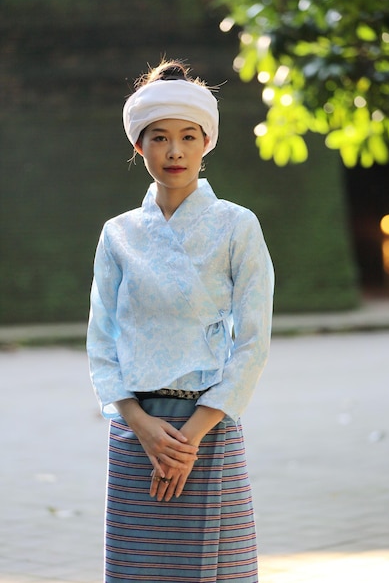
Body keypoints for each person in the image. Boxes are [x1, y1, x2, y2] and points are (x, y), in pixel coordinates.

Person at [87, 59, 274, 583]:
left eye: (188, 136)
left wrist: (189, 438)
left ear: (206, 142)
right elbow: (101, 342)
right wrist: (141, 425)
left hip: (208, 428)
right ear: (137, 146)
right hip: (135, 434)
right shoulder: (118, 234)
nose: (175, 151)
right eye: (159, 137)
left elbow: (253, 343)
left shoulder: (238, 226)